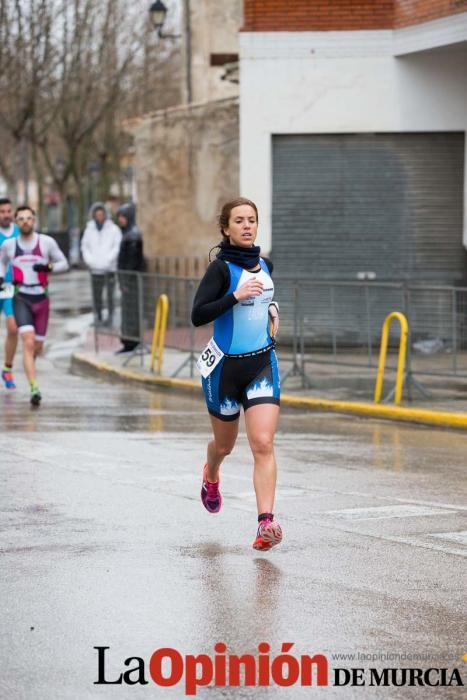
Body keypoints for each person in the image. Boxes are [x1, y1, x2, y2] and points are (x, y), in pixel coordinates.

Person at [191, 197, 282, 551]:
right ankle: (211, 473)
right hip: (223, 370)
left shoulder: (266, 264)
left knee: (263, 443)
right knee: (225, 445)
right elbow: (199, 314)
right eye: (239, 221)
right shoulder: (220, 271)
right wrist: (235, 296)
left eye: (252, 220)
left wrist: (273, 310)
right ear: (226, 229)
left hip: (261, 363)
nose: (247, 226)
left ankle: (265, 523)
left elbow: (264, 300)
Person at [0, 206, 69, 406]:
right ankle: (30, 385)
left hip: (41, 297)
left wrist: (49, 268)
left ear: (34, 220)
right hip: (16, 292)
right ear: (16, 220)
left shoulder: (46, 242)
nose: (25, 222)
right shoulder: (10, 244)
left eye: (28, 218)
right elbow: (2, 262)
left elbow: (63, 262)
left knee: (36, 345)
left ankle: (24, 366)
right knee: (22, 337)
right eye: (20, 219)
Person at [80, 202, 121, 326]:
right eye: (97, 214)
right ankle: (98, 316)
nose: (99, 216)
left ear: (105, 215)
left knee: (110, 294)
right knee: (96, 295)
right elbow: (84, 247)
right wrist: (90, 261)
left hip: (109, 269)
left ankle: (110, 316)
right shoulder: (89, 229)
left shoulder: (114, 230)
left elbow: (116, 247)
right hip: (95, 269)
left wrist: (109, 260)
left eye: (101, 214)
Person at [115, 202, 144, 354]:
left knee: (131, 312)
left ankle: (131, 341)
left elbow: (131, 262)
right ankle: (127, 341)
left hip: (131, 282)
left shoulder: (132, 235)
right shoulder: (128, 234)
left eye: (122, 216)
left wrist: (126, 280)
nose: (120, 219)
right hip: (127, 281)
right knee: (127, 312)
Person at [0, 197, 20, 389]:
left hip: (10, 286)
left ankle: (7, 369)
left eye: (8, 211)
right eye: (2, 212)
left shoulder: (18, 232)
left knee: (13, 328)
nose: (5, 215)